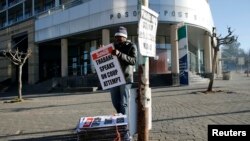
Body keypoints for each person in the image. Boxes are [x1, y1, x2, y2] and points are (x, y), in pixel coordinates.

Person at [110, 26, 137, 115]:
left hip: (126, 78)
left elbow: (133, 60)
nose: (117, 38)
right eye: (116, 36)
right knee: (115, 101)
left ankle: (124, 121)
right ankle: (120, 117)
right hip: (114, 77)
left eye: (119, 36)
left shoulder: (131, 46)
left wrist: (120, 54)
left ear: (125, 37)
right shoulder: (113, 46)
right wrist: (102, 50)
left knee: (124, 102)